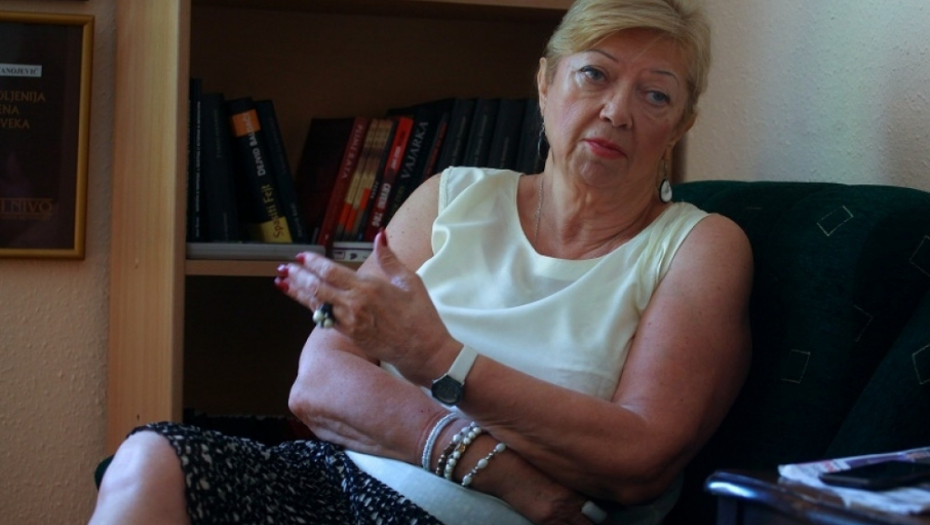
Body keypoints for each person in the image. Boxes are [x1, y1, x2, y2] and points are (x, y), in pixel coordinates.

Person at [89, 0, 753, 523]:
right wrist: (504, 474)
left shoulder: (699, 246)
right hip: (338, 483)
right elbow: (318, 381)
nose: (616, 111)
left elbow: (639, 455)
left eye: (655, 95)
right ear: (546, 83)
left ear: (680, 125)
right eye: (595, 74)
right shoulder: (452, 195)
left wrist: (438, 358)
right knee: (149, 457)